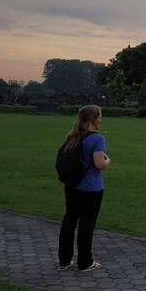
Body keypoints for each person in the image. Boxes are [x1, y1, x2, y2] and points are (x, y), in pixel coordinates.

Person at [57, 105, 110, 272]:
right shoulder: (97, 138)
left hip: (72, 186)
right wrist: (108, 160)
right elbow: (99, 163)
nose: (101, 119)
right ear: (94, 119)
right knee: (86, 224)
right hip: (91, 188)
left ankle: (64, 260)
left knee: (69, 221)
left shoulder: (72, 136)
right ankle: (85, 262)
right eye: (99, 116)